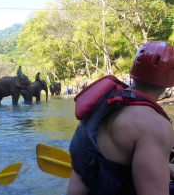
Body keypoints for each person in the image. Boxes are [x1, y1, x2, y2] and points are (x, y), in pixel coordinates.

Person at [67, 41, 174, 195]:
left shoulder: (102, 103)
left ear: (133, 70)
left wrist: (162, 168)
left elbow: (109, 156)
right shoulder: (155, 126)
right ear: (170, 81)